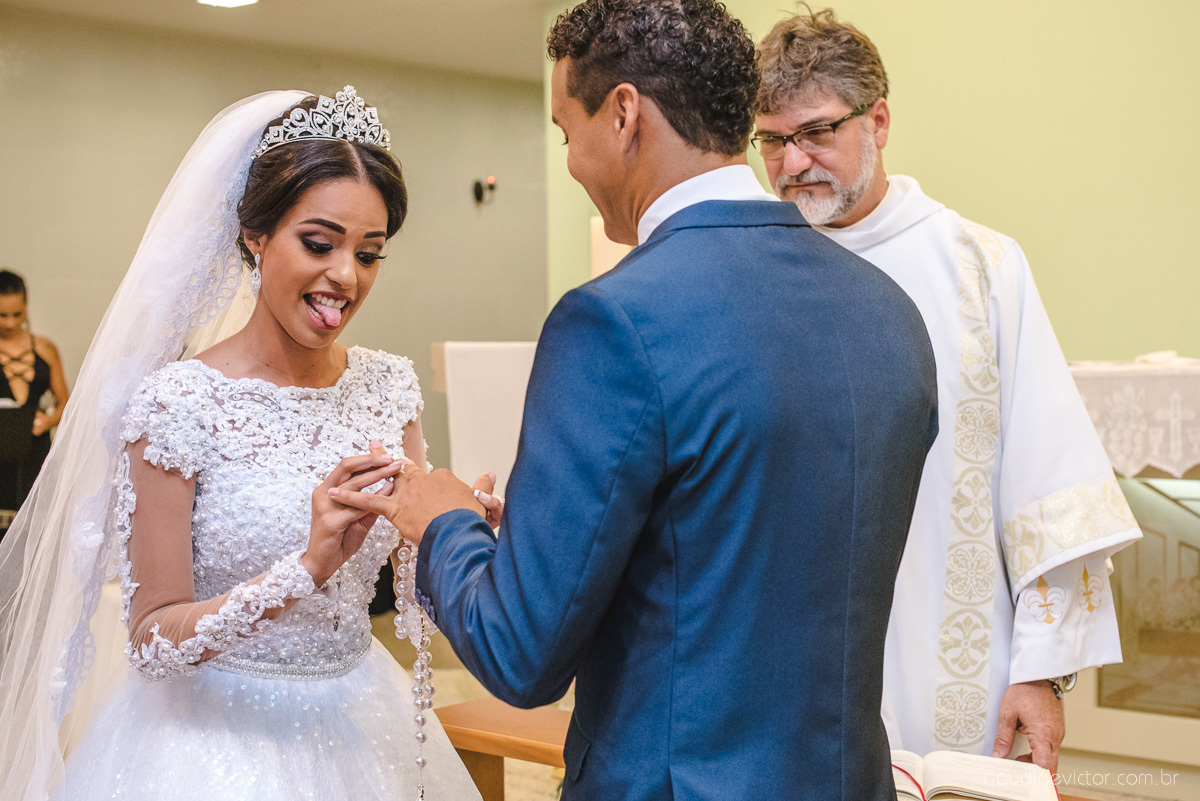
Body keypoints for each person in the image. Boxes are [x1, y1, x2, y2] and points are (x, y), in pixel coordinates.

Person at [334, 2, 939, 799]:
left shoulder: (613, 321)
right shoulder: (889, 309)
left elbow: (523, 655)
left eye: (564, 131)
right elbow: (748, 546)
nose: (572, 163)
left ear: (622, 114)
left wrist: (441, 522)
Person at [0, 87, 489, 800]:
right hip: (206, 749)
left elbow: (418, 582)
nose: (345, 277)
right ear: (256, 235)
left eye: (370, 253)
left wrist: (463, 526)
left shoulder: (389, 386)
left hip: (362, 724)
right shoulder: (179, 402)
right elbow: (152, 638)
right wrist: (306, 566)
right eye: (318, 244)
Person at [753, 9, 1143, 772]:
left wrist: (1039, 669)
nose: (794, 162)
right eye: (772, 140)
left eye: (817, 132)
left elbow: (1048, 489)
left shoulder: (981, 267)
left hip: (952, 670)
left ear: (881, 120)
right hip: (791, 667)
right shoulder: (755, 276)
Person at [0, 269, 70, 537]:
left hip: (35, 451)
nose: (9, 323)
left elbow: (68, 405)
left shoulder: (44, 348)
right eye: (2, 315)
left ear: (26, 307)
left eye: (16, 314)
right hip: (2, 453)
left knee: (35, 532)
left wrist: (48, 420)